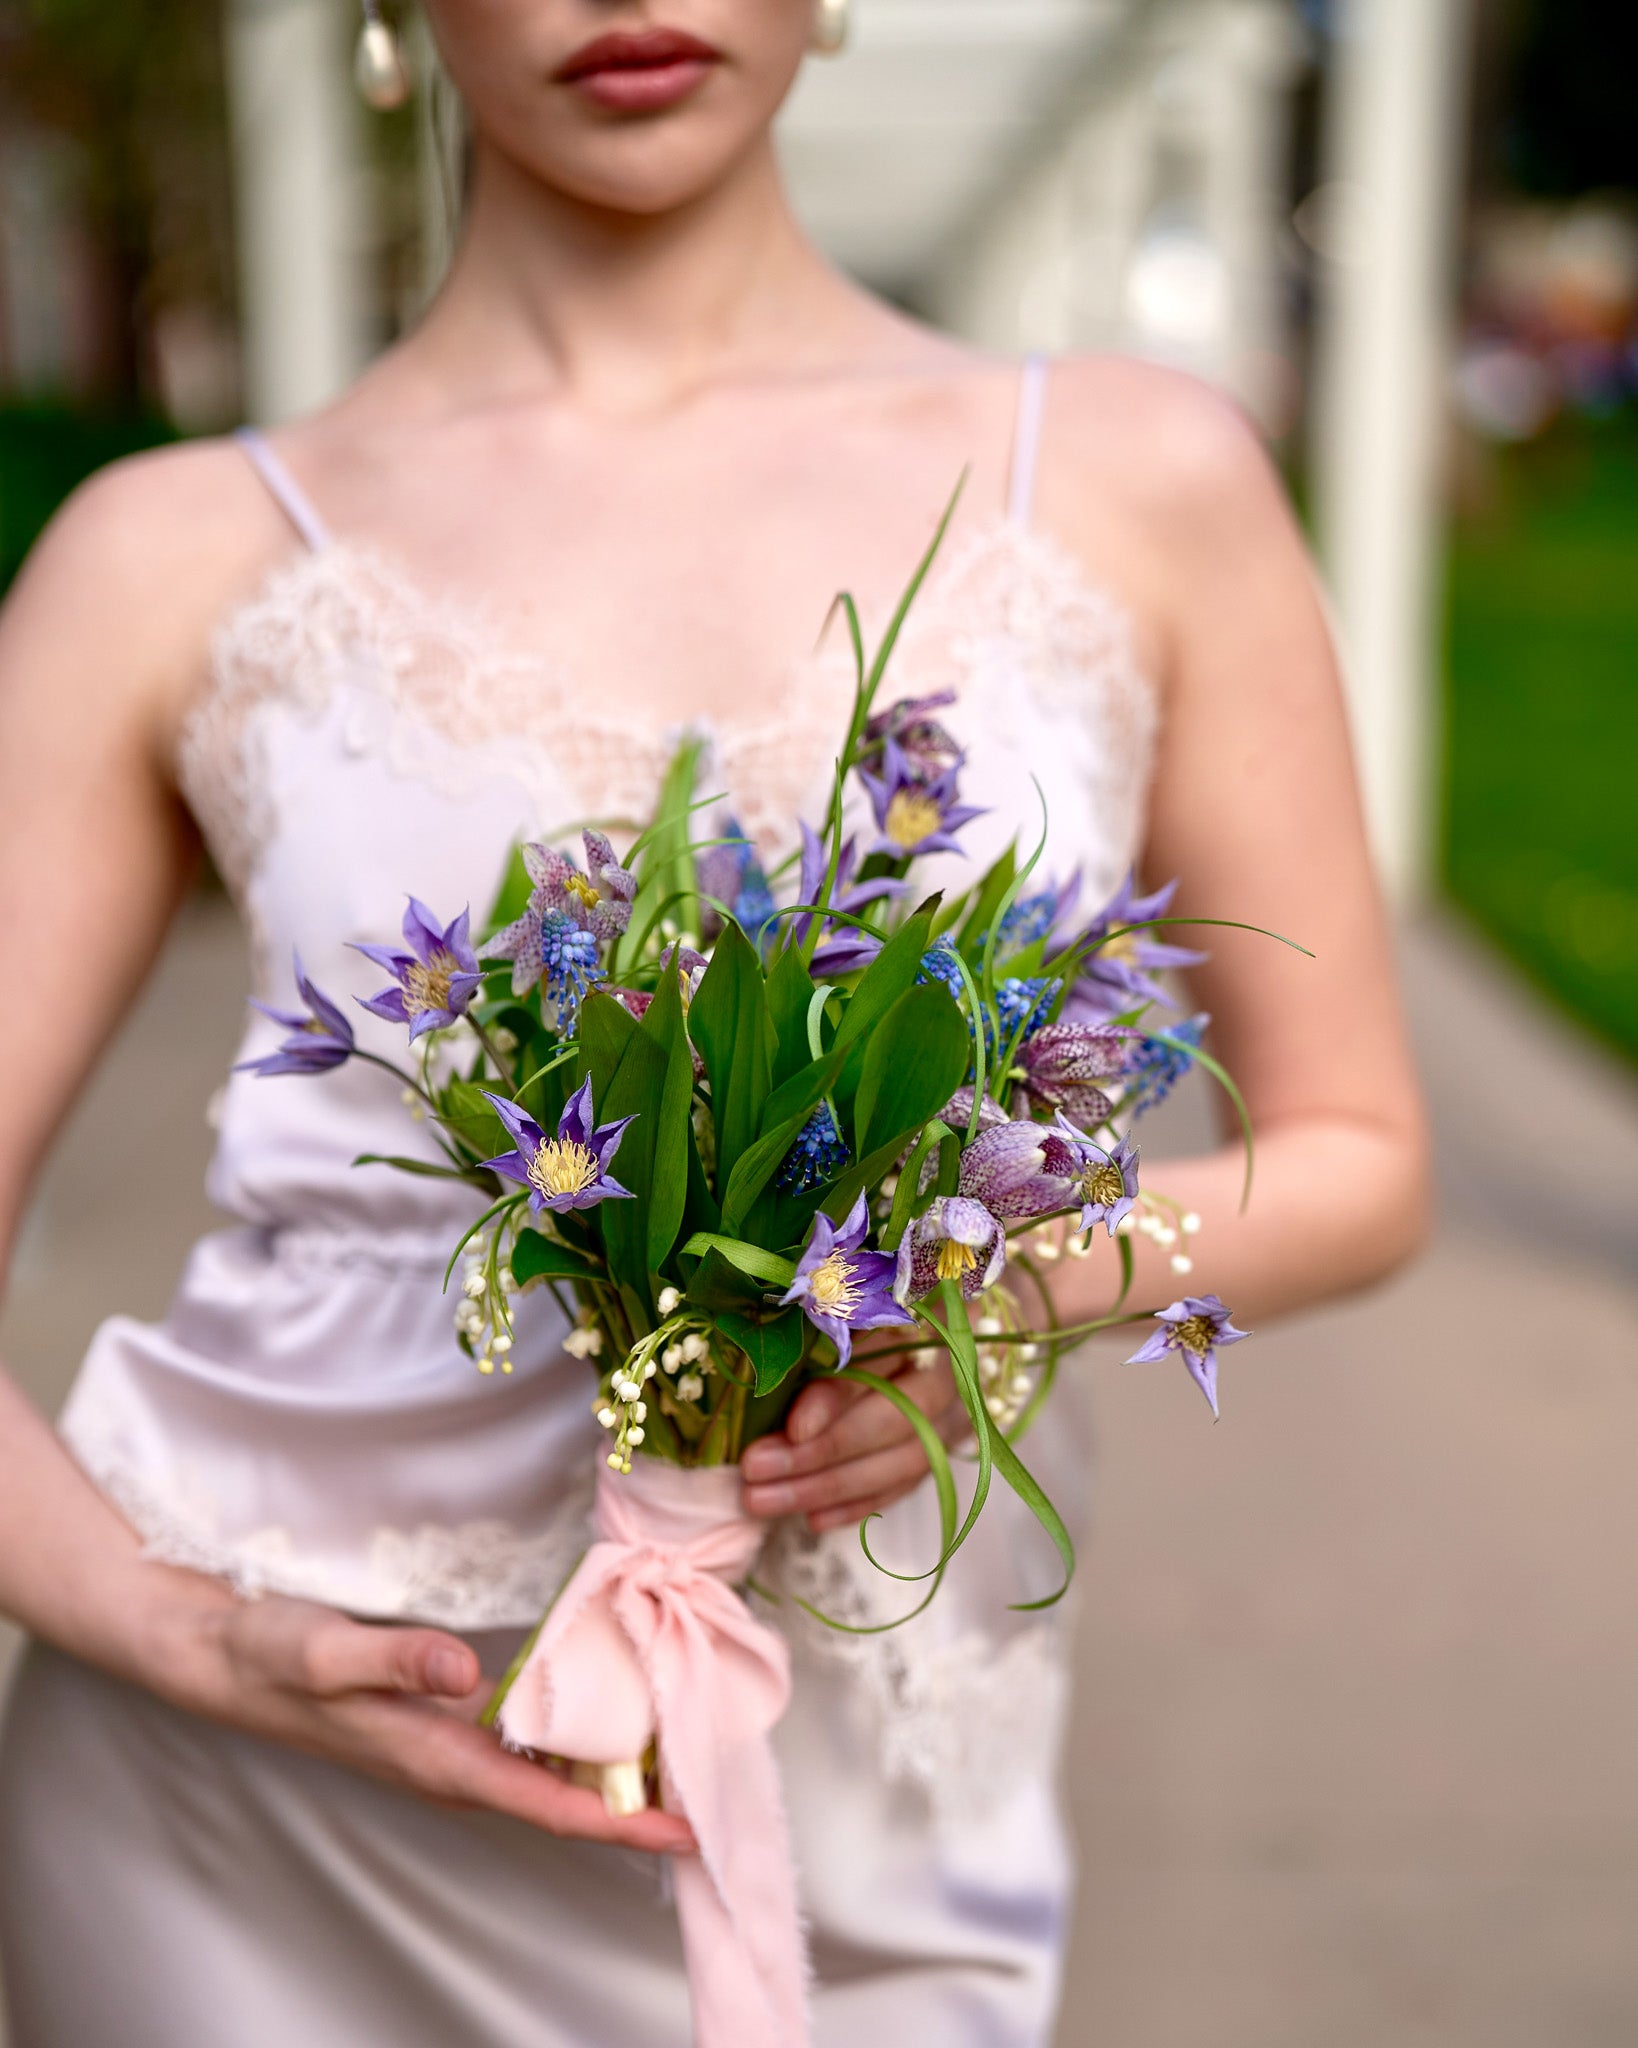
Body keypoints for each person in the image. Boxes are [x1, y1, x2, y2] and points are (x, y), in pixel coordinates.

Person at [0, 3, 1428, 2042]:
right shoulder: (168, 557)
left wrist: (1013, 1287)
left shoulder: (1136, 475)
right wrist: (177, 1629)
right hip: (264, 1809)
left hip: (853, 1847)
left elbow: (1360, 1157)